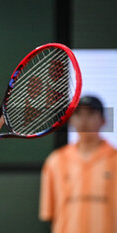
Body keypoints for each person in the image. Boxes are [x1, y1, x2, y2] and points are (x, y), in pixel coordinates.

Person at [39, 95, 117, 233]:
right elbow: (49, 213)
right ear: (71, 121)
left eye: (91, 113)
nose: (84, 119)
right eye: (78, 114)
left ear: (103, 120)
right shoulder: (55, 161)